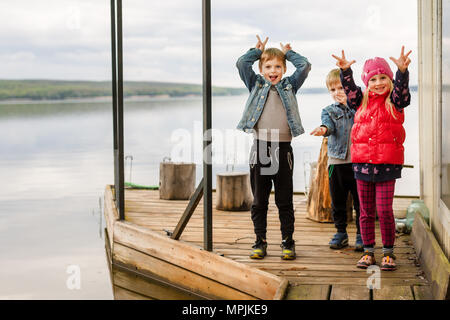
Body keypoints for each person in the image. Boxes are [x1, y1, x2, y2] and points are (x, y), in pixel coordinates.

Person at [332, 47, 412, 271]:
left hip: (387, 164)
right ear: (367, 82)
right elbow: (349, 89)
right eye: (373, 79)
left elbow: (402, 90)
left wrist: (402, 72)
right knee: (365, 211)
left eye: (383, 77)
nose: (378, 82)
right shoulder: (359, 101)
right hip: (363, 164)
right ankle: (368, 251)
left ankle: (388, 253)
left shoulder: (396, 101)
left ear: (390, 79)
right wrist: (346, 71)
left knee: (384, 210)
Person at [236, 35, 311, 260]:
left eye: (278, 66)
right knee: (259, 201)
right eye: (268, 66)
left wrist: (288, 52)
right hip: (260, 149)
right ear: (261, 68)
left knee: (284, 200)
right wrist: (256, 51)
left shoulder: (290, 85)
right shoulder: (256, 84)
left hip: (283, 150)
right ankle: (260, 241)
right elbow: (241, 63)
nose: (273, 70)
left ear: (284, 69)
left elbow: (305, 66)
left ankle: (288, 241)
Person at [310, 68, 363, 251]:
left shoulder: (359, 106)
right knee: (337, 200)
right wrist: (322, 130)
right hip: (337, 162)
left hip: (358, 161)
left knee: (360, 201)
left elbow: (363, 120)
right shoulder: (328, 110)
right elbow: (328, 126)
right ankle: (341, 232)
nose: (337, 93)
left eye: (341, 88)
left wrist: (350, 102)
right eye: (332, 90)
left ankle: (361, 234)